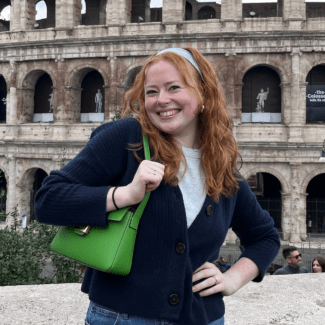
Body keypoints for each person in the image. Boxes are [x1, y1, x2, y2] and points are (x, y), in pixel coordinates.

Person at [35, 47, 280, 325]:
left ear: (202, 93)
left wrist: (232, 279)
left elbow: (265, 237)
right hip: (122, 317)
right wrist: (125, 194)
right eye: (151, 92)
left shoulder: (220, 167)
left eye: (174, 87)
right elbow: (48, 199)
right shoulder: (127, 138)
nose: (162, 100)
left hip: (201, 317)